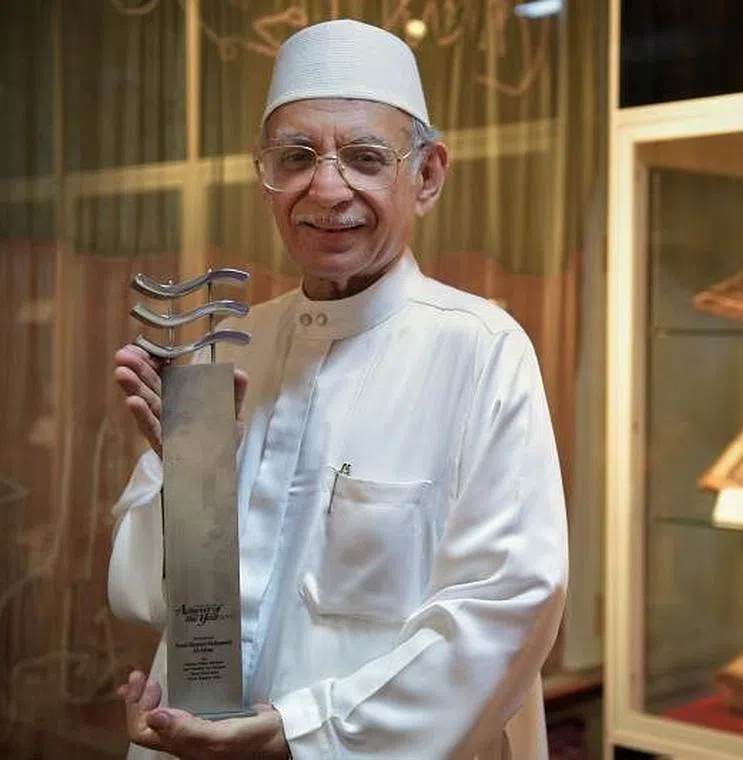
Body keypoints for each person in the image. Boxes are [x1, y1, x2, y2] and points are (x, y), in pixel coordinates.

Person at [108, 19, 568, 760]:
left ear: (426, 176)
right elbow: (142, 596)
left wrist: (300, 733)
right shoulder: (227, 345)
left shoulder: (480, 350)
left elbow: (506, 606)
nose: (326, 189)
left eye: (364, 157)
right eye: (295, 157)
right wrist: (191, 484)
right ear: (265, 175)